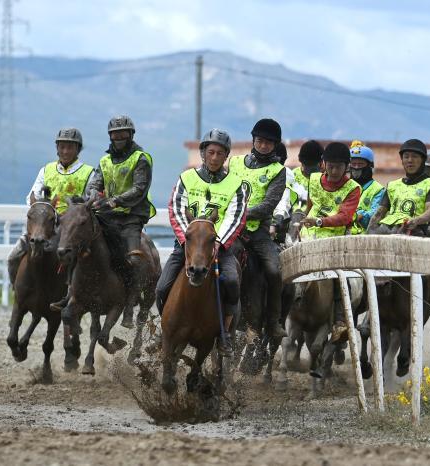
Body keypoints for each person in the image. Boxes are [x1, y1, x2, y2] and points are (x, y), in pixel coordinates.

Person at [156, 129, 247, 355]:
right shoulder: (186, 178)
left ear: (226, 156)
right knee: (162, 286)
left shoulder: (236, 184)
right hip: (187, 245)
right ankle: (164, 330)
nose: (214, 158)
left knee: (232, 281)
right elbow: (176, 209)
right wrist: (186, 240)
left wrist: (218, 242)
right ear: (203, 153)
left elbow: (236, 217)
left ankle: (225, 334)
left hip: (218, 247)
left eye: (220, 153)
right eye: (211, 152)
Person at [86, 115, 156, 326]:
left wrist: (114, 201)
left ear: (131, 134)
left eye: (123, 133)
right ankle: (73, 293)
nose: (119, 138)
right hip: (107, 215)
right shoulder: (104, 160)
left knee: (134, 259)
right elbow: (95, 184)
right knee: (80, 245)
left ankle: (129, 306)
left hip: (131, 216)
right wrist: (92, 196)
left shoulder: (141, 158)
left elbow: (139, 189)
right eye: (115, 134)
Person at [7, 127, 94, 286]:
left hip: (71, 228)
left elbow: (89, 203)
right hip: (43, 224)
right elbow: (31, 197)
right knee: (13, 257)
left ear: (78, 149)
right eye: (62, 147)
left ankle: (73, 291)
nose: (65, 151)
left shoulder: (89, 172)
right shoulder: (46, 170)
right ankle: (18, 290)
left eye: (70, 147)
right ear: (57, 148)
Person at [227, 118, 287, 338]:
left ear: (275, 145)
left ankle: (273, 321)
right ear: (253, 140)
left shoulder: (277, 171)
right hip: (232, 229)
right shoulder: (234, 163)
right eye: (260, 141)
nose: (263, 145)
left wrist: (241, 213)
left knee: (274, 270)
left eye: (268, 143)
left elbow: (268, 205)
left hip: (258, 232)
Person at [300, 142, 361, 341]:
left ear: (347, 167)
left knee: (339, 278)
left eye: (339, 167)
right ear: (323, 164)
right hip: (308, 236)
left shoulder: (353, 188)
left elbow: (345, 217)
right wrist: (303, 223)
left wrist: (319, 221)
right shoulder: (314, 179)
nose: (334, 171)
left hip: (335, 240)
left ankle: (340, 322)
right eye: (331, 166)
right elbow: (310, 205)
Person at [367, 139, 430, 236]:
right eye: (406, 157)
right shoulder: (392, 185)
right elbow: (379, 213)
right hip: (387, 232)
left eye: (414, 156)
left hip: (413, 232)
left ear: (423, 160)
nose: (410, 160)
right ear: (402, 161)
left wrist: (416, 221)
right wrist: (369, 234)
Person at [348, 141, 385, 235]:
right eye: (353, 164)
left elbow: (374, 215)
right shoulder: (344, 186)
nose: (356, 168)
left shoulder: (378, 189)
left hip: (365, 237)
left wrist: (357, 215)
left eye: (360, 164)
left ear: (370, 166)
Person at [292, 139, 324, 209]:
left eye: (313, 165)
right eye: (306, 165)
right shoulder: (293, 176)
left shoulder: (327, 177)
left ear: (321, 162)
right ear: (301, 162)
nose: (309, 169)